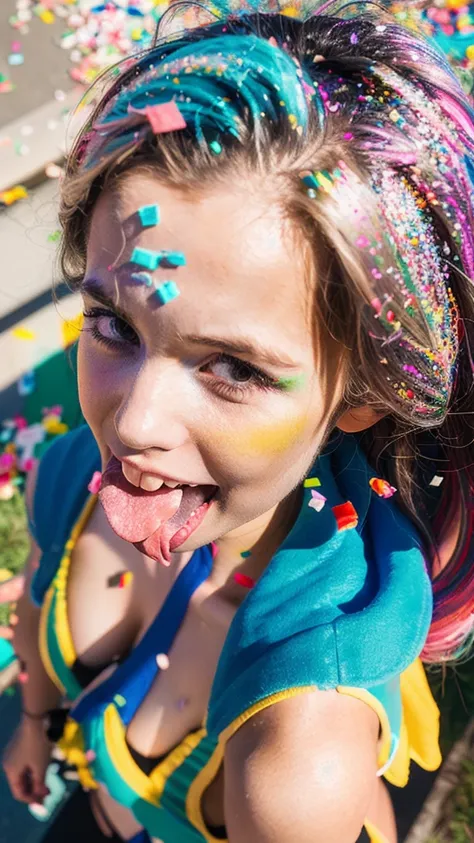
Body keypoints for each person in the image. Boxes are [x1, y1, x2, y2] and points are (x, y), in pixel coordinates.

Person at [3, 2, 474, 841]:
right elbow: (41, 590)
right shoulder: (73, 475)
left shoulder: (301, 762)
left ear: (361, 393)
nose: (133, 425)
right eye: (114, 325)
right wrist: (35, 718)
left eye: (236, 368)